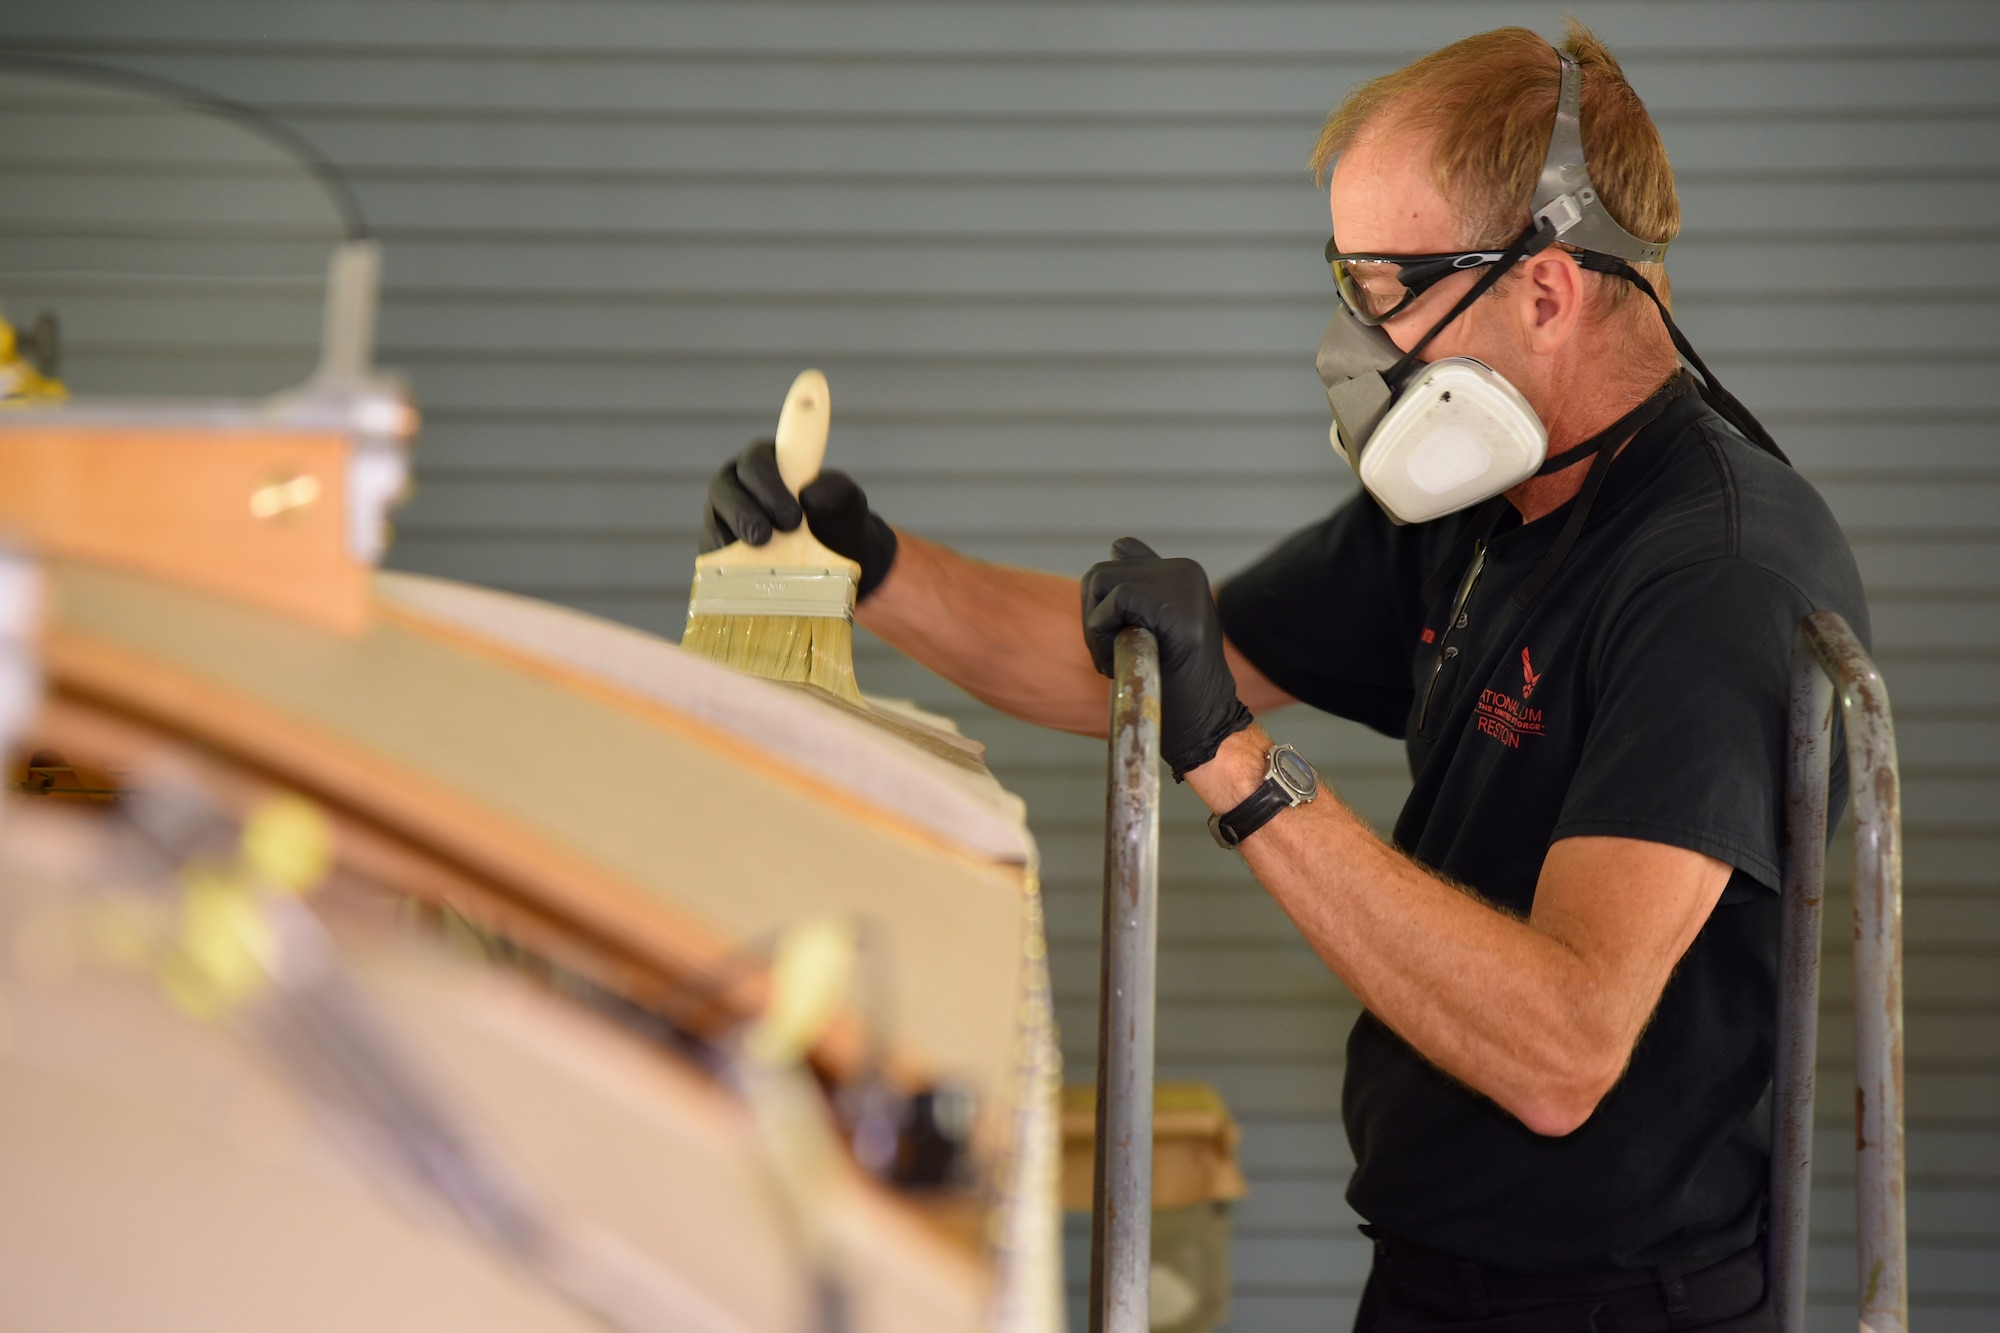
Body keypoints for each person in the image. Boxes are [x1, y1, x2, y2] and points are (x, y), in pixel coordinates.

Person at [700, 22, 1866, 1332]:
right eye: (1347, 280)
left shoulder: (1717, 574)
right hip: (1437, 1275)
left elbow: (1563, 1047)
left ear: (1548, 290)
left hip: (1622, 1309)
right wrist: (871, 566)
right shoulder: (1489, 503)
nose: (1355, 339)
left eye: (1389, 286)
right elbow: (1136, 683)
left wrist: (1245, 776)